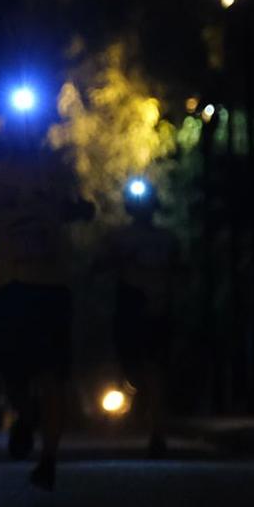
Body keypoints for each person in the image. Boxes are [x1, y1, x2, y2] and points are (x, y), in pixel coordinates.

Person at [0, 114, 94, 491]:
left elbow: (79, 208)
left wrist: (78, 210)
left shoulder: (54, 171)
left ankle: (49, 457)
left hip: (51, 284)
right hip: (10, 284)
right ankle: (27, 413)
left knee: (53, 373)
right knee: (10, 368)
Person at [98, 179, 184, 458]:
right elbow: (101, 265)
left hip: (154, 310)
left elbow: (181, 270)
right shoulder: (120, 238)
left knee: (155, 369)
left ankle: (157, 431)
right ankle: (141, 398)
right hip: (132, 308)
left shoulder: (166, 240)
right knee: (135, 367)